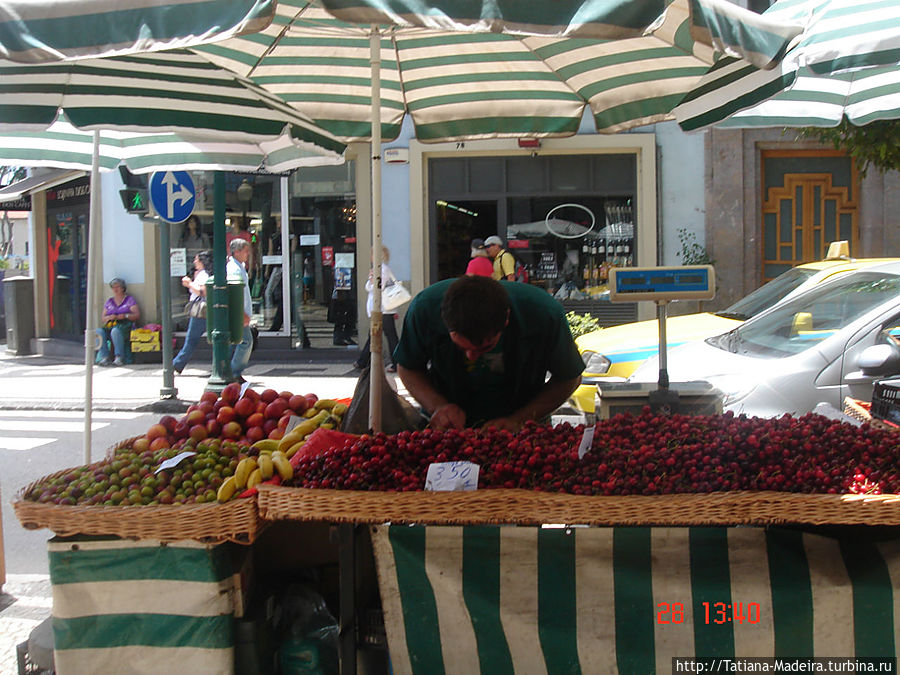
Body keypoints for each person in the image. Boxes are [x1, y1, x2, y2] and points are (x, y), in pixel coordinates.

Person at [394, 275, 584, 431]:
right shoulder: (424, 308)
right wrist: (438, 406)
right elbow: (408, 367)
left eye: (484, 348)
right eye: (461, 348)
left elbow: (569, 378)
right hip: (448, 429)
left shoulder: (543, 313)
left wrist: (519, 420)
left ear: (506, 319)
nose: (471, 356)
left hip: (524, 427)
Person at [355, 246, 401, 372]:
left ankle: (396, 362)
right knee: (379, 335)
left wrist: (371, 280)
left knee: (383, 335)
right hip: (382, 308)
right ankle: (364, 361)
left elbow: (376, 288)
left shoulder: (382, 270)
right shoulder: (380, 269)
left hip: (382, 308)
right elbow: (369, 286)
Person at [173, 250, 212, 374]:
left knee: (191, 339)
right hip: (203, 310)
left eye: (197, 259)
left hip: (201, 311)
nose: (194, 262)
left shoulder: (204, 275)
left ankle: (177, 363)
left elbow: (202, 291)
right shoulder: (201, 274)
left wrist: (189, 284)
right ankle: (178, 363)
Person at [96, 278, 140, 366]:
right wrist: (110, 317)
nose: (115, 289)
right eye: (113, 287)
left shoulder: (129, 300)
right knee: (99, 331)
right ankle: (104, 357)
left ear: (123, 288)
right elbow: (103, 317)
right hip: (111, 324)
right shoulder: (109, 301)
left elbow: (136, 315)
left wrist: (125, 316)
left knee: (115, 331)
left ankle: (119, 357)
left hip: (125, 325)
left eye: (118, 287)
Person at [228, 238, 254, 382]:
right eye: (245, 251)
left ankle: (230, 371)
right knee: (246, 341)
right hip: (238, 312)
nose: (248, 254)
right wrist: (242, 313)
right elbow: (234, 293)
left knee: (235, 342)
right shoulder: (234, 269)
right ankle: (234, 372)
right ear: (237, 252)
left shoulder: (240, 267)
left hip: (239, 312)